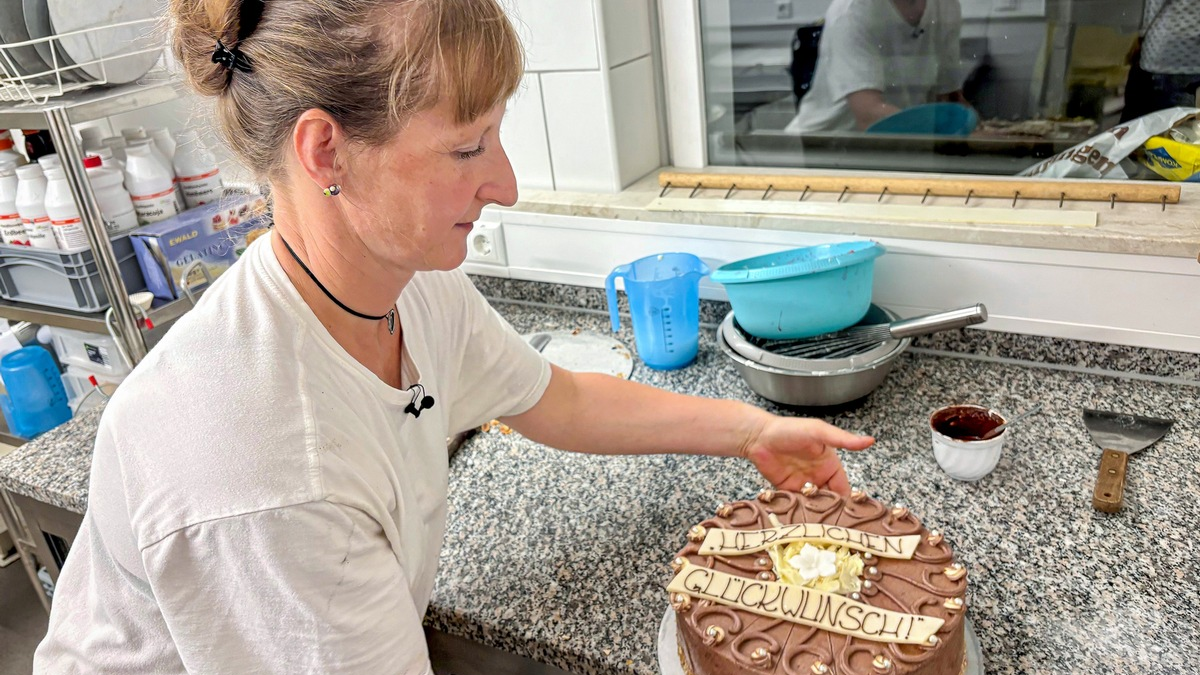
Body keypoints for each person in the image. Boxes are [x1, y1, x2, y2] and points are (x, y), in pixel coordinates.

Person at [33, 0, 874, 672]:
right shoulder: (273, 473)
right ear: (326, 152)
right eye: (467, 147)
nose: (504, 184)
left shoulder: (408, 286)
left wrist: (753, 431)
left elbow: (557, 398)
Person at [786, 0, 966, 133]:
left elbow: (947, 99)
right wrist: (957, 135)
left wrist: (974, 128)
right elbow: (870, 116)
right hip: (827, 152)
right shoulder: (851, 12)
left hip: (899, 146)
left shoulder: (946, 6)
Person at [1120, 0, 1200, 122]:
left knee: (1152, 125)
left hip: (1166, 57)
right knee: (1181, 127)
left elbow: (1153, 9)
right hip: (1186, 60)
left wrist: (1140, 38)